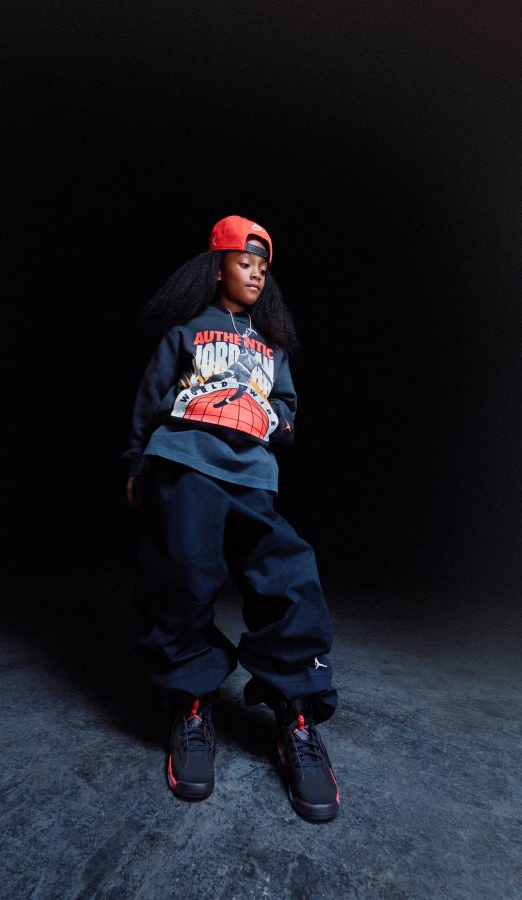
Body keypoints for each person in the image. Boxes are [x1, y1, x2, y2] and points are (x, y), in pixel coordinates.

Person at [124, 215, 340, 822]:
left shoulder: (271, 344)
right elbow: (151, 396)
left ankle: (296, 716)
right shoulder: (187, 330)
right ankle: (191, 705)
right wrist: (138, 461)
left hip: (252, 476)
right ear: (217, 267)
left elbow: (287, 406)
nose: (255, 275)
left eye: (262, 268)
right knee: (183, 578)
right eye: (244, 263)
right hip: (185, 464)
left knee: (290, 577)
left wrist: (274, 418)